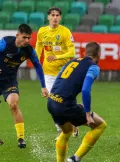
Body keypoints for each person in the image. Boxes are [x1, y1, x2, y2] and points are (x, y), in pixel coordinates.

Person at [0, 24, 48, 148]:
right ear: (17, 36)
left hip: (9, 81)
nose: (26, 41)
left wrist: (43, 86)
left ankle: (21, 138)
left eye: (28, 38)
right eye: (24, 37)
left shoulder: (29, 50)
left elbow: (38, 66)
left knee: (14, 104)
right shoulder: (4, 44)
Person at [47, 42, 107, 162]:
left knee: (67, 131)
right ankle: (75, 159)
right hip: (65, 104)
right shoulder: (93, 67)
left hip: (52, 101)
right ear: (99, 54)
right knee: (100, 125)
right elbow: (86, 89)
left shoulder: (72, 61)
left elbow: (61, 81)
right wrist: (87, 114)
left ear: (85, 52)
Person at [35, 7, 78, 139]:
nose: (55, 17)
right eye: (52, 15)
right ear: (48, 17)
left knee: (66, 100)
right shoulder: (42, 32)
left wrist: (57, 57)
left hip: (64, 72)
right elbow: (38, 49)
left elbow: (72, 53)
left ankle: (74, 123)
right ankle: (60, 129)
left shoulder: (65, 32)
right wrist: (36, 63)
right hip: (48, 73)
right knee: (53, 104)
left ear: (60, 18)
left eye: (57, 15)